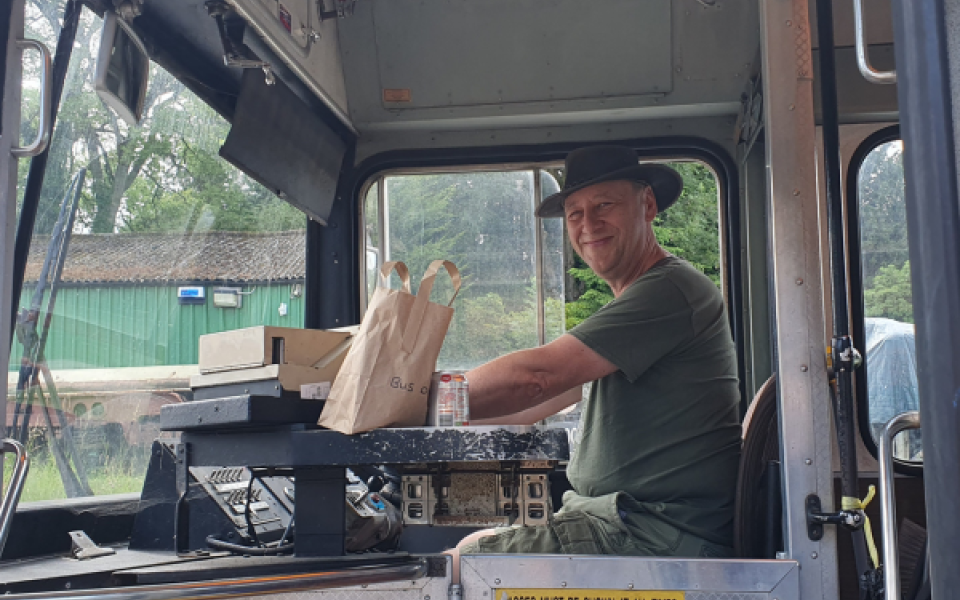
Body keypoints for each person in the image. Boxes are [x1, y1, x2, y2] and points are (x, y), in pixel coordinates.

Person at [448, 145, 742, 570]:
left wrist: (421, 397)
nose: (589, 225)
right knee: (475, 542)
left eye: (605, 205)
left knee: (451, 569)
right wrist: (436, 419)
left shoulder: (670, 290)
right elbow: (544, 399)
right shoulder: (633, 305)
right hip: (622, 523)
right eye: (575, 214)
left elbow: (537, 378)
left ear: (647, 205)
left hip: (649, 534)